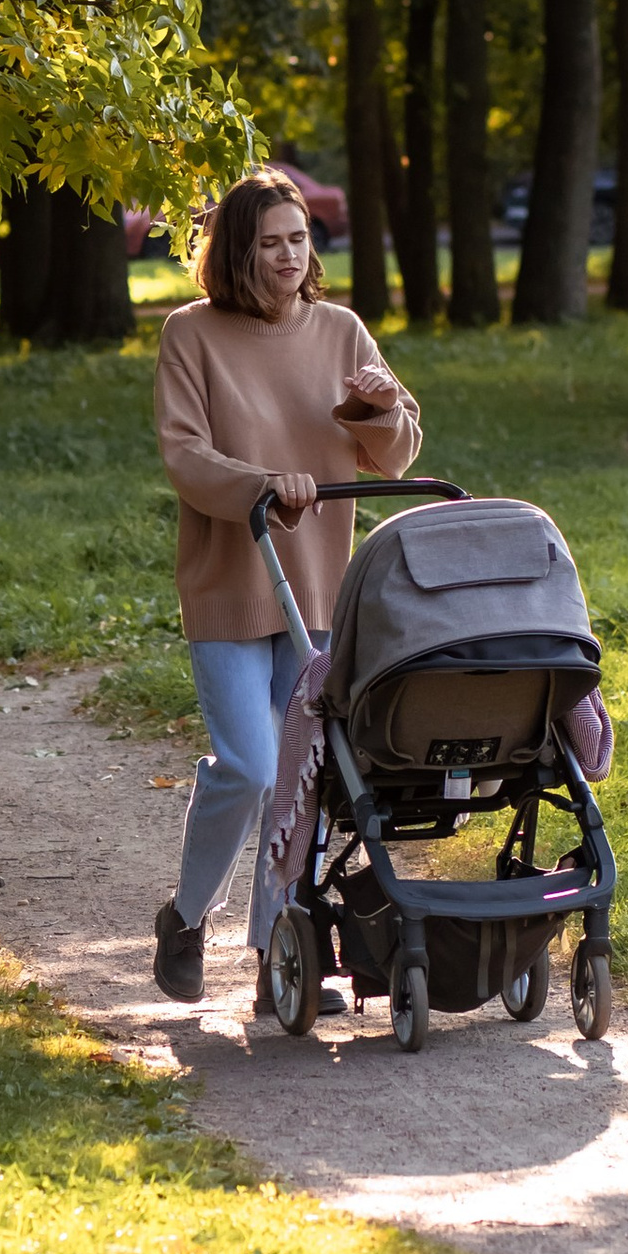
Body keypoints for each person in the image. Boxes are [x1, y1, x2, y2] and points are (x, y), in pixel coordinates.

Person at [150, 165, 421, 1002]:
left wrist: (378, 410)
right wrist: (265, 483)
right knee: (253, 767)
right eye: (269, 244)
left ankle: (278, 958)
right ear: (235, 252)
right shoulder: (190, 335)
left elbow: (400, 451)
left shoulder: (342, 331)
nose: (288, 258)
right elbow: (186, 455)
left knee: (304, 781)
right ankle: (189, 918)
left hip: (316, 589)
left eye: (298, 240)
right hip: (231, 585)